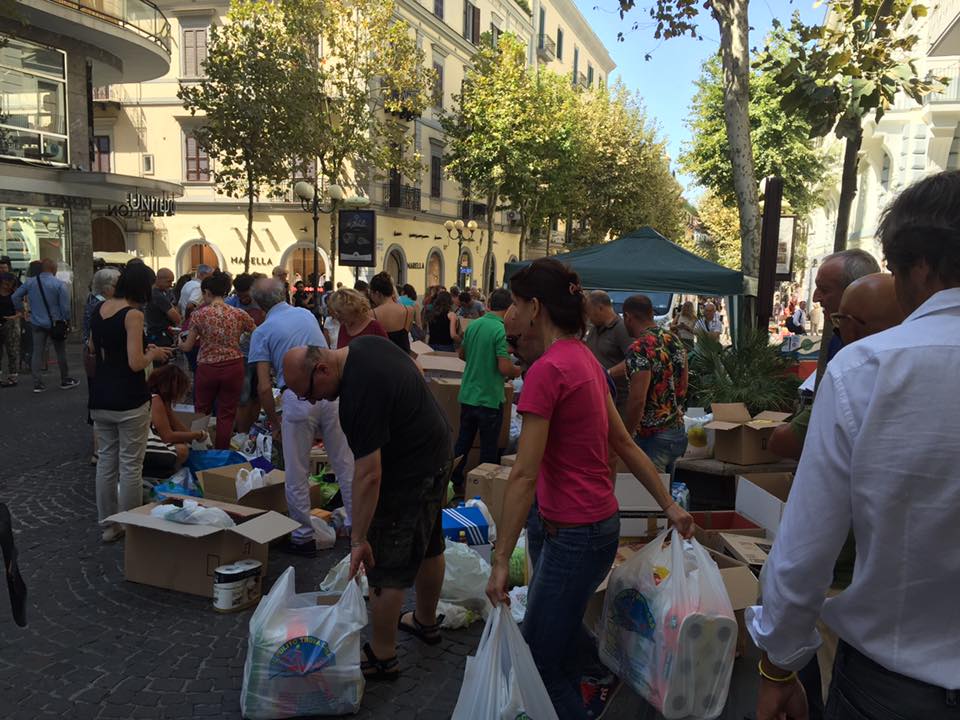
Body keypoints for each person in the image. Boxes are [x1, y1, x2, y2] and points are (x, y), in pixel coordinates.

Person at [751, 171, 960, 720]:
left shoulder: (868, 368)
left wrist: (779, 663)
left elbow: (804, 550)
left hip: (894, 685)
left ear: (919, 266)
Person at [484, 259, 694, 720]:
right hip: (594, 527)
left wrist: (500, 559)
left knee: (538, 656)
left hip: (572, 534)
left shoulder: (547, 371)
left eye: (515, 305)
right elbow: (620, 441)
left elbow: (523, 473)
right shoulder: (585, 360)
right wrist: (667, 505)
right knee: (553, 622)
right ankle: (604, 669)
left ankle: (597, 678)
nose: (508, 316)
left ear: (535, 307)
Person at [281, 336, 452, 681]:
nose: (312, 400)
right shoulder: (368, 345)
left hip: (410, 470)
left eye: (310, 392)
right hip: (437, 452)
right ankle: (425, 621)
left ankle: (383, 655)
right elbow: (415, 372)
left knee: (385, 563)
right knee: (429, 543)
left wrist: (358, 537)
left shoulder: (357, 394)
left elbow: (369, 474)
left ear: (323, 368)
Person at [248, 278, 355, 556]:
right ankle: (358, 527)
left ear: (258, 304)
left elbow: (262, 386)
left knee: (297, 471)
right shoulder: (306, 314)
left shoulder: (262, 331)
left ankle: (302, 536)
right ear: (284, 294)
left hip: (296, 397)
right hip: (331, 391)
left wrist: (273, 422)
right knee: (344, 463)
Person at [90, 263, 173, 543]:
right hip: (128, 397)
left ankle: (108, 525)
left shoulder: (98, 310)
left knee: (106, 462)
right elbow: (135, 362)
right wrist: (154, 354)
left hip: (101, 394)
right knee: (130, 465)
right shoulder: (133, 315)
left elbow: (93, 349)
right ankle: (133, 523)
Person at [450, 289, 521, 497]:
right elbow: (504, 368)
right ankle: (481, 491)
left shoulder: (475, 325)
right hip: (490, 399)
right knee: (488, 450)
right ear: (509, 309)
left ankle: (453, 483)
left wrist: (479, 359)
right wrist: (519, 370)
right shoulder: (500, 330)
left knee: (462, 444)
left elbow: (462, 354)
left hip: (468, 395)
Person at [179, 270, 255, 449]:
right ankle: (221, 453)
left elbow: (188, 346)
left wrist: (179, 343)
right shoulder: (238, 314)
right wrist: (241, 339)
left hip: (207, 366)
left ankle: (200, 451)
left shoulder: (199, 315)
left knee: (202, 411)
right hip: (234, 365)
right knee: (227, 413)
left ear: (207, 293)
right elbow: (257, 331)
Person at [622, 294, 689, 476]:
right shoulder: (674, 339)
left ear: (628, 317)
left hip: (653, 435)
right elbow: (684, 382)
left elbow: (637, 400)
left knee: (650, 500)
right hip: (676, 430)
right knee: (666, 494)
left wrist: (625, 437)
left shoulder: (639, 348)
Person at [12, 258, 78, 393]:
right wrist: (67, 321)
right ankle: (65, 379)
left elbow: (15, 297)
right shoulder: (59, 284)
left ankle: (37, 383)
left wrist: (22, 311)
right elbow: (65, 308)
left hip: (36, 322)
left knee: (37, 352)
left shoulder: (30, 282)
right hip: (55, 323)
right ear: (53, 269)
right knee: (60, 352)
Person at [812, 249, 882, 362]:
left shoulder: (882, 349)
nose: (815, 298)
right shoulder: (837, 339)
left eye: (824, 290)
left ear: (854, 292)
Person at [144, 364, 207, 477]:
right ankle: (167, 477)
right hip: (144, 448)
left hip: (143, 446)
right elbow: (167, 436)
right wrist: (197, 434)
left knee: (183, 445)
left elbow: (179, 428)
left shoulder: (161, 401)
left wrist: (193, 436)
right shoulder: (155, 400)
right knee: (182, 450)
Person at [584, 290, 634, 420]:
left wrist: (606, 374)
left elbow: (633, 359)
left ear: (600, 308)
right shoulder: (594, 329)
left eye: (589, 311)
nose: (588, 316)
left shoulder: (621, 328)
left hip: (618, 399)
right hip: (597, 396)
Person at [227, 273, 266, 434]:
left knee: (257, 395)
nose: (243, 298)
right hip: (240, 356)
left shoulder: (262, 303)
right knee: (242, 398)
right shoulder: (231, 304)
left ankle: (252, 429)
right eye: (240, 295)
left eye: (246, 295)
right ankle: (242, 434)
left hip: (260, 355)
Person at [369, 272, 414, 355]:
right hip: (404, 357)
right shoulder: (409, 310)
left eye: (371, 293)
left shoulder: (371, 314)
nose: (371, 297)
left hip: (382, 358)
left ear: (377, 293)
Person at [144, 268, 181, 349]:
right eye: (168, 281)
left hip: (155, 334)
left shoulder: (158, 293)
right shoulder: (158, 296)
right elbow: (176, 318)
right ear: (158, 279)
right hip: (160, 337)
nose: (171, 284)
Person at [0, 273, 21, 387]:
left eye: (11, 284)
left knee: (12, 351)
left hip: (10, 324)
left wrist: (12, 318)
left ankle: (13, 376)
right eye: (6, 283)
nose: (8, 286)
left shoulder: (14, 295)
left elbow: (19, 312)